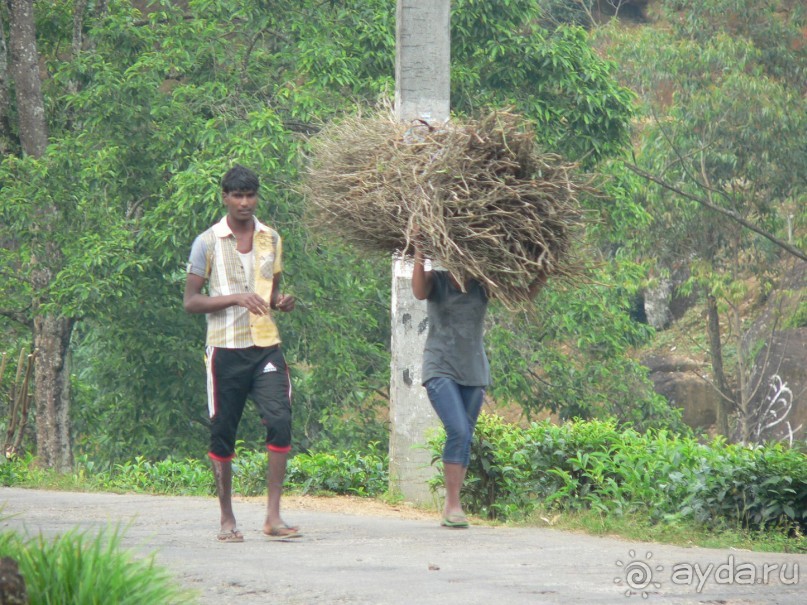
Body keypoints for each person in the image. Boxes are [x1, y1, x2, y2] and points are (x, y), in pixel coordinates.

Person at [184, 164, 300, 542]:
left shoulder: (272, 238)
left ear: (257, 197)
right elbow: (191, 301)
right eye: (237, 195)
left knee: (280, 420)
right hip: (225, 349)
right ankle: (227, 519)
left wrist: (280, 302)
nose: (245, 202)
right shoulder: (207, 242)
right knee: (223, 433)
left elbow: (270, 291)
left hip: (266, 346)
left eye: (250, 195)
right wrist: (235, 297)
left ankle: (273, 517)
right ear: (225, 197)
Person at [411, 238, 545, 528]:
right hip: (440, 367)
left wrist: (543, 271)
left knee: (465, 436)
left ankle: (455, 505)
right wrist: (420, 249)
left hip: (474, 371)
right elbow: (418, 292)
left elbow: (521, 297)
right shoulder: (438, 281)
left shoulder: (484, 284)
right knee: (457, 429)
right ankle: (452, 505)